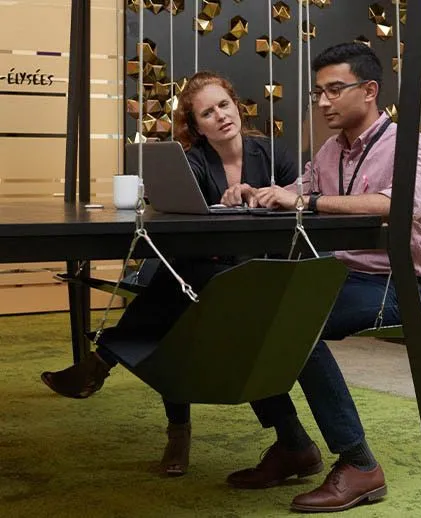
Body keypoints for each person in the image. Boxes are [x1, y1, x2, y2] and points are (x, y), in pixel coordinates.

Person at [40, 71, 322, 478]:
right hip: (211, 274)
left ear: (236, 106)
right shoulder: (193, 162)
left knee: (182, 293)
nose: (220, 116)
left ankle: (107, 366)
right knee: (187, 303)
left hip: (265, 271)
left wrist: (256, 200)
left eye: (224, 105)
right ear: (197, 126)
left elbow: (299, 206)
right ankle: (285, 442)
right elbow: (181, 225)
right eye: (207, 113)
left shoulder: (273, 154)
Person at [224, 42, 421, 513]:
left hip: (394, 286)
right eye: (318, 92)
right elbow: (295, 191)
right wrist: (258, 193)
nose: (323, 102)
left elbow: (399, 205)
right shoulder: (328, 151)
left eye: (334, 90)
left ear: (370, 90)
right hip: (338, 276)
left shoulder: (409, 145)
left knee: (296, 323)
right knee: (250, 312)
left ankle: (360, 465)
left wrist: (310, 201)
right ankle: (293, 445)